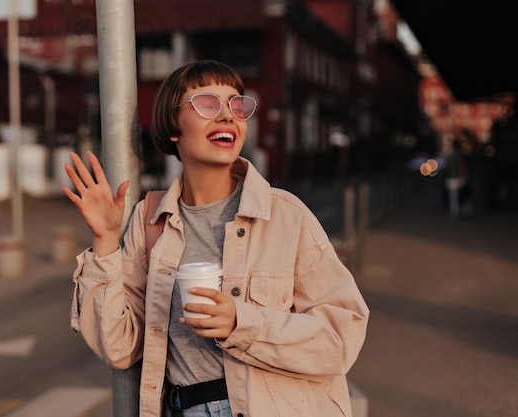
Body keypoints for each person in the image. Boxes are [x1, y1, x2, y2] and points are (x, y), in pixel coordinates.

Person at [64, 60, 369, 417]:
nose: (227, 115)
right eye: (207, 104)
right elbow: (119, 346)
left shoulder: (286, 215)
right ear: (173, 127)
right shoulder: (151, 222)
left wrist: (242, 323)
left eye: (236, 105)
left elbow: (341, 339)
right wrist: (104, 241)